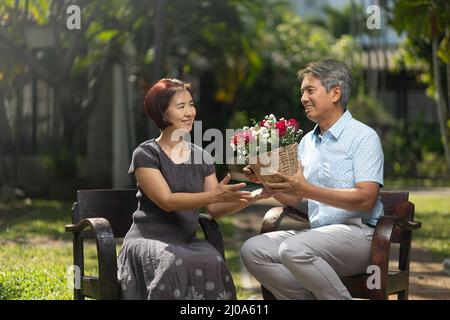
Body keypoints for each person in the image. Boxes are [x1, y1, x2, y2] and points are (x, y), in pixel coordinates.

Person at [241, 59, 384, 300]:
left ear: (335, 93)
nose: (303, 98)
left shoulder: (363, 137)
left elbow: (367, 199)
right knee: (253, 250)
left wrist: (307, 189)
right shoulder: (307, 141)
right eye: (302, 92)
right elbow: (295, 197)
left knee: (293, 249)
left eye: (310, 90)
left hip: (360, 238)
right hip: (318, 237)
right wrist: (267, 181)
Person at [117, 78, 268, 300]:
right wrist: (213, 194)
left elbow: (215, 208)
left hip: (186, 242)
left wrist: (255, 196)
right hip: (148, 242)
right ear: (162, 113)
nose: (189, 112)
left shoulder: (202, 156)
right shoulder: (146, 154)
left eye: (191, 104)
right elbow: (166, 201)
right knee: (171, 262)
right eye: (181, 106)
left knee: (213, 261)